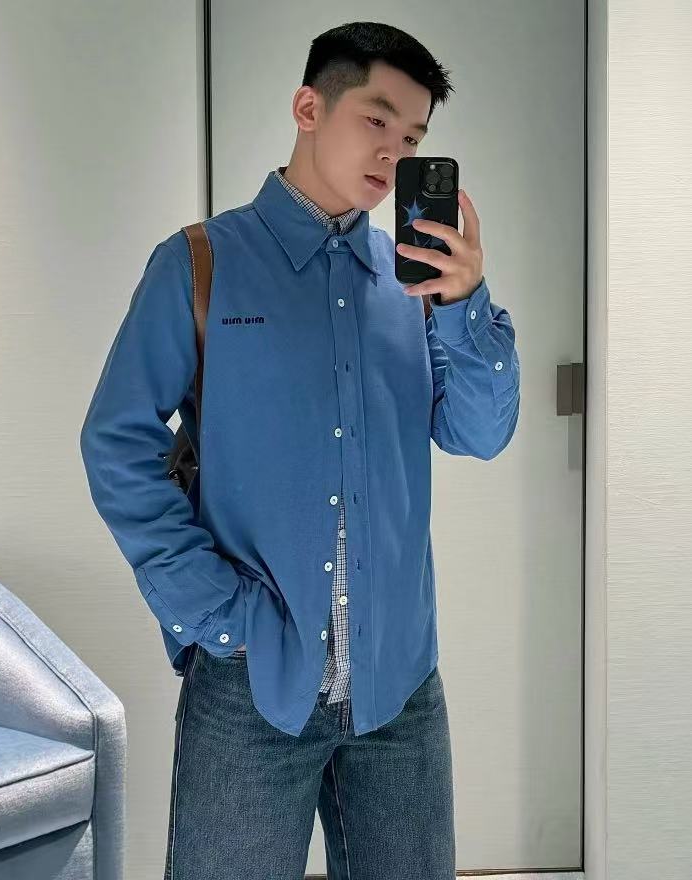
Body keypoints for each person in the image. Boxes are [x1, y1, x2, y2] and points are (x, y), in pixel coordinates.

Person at [80, 19, 520, 879]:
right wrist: (214, 612)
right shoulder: (201, 263)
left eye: (413, 138)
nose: (393, 153)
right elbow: (116, 441)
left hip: (399, 689)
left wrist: (465, 302)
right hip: (253, 684)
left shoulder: (414, 283)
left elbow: (480, 432)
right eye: (376, 119)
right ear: (309, 107)